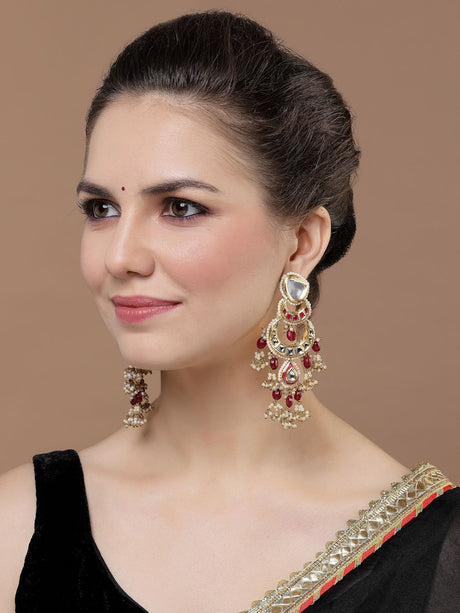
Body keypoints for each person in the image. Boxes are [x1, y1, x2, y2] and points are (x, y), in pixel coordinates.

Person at [1, 9, 459, 613]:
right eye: (101, 209)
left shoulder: (437, 553)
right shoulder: (17, 528)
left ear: (301, 243)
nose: (120, 256)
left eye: (180, 207)